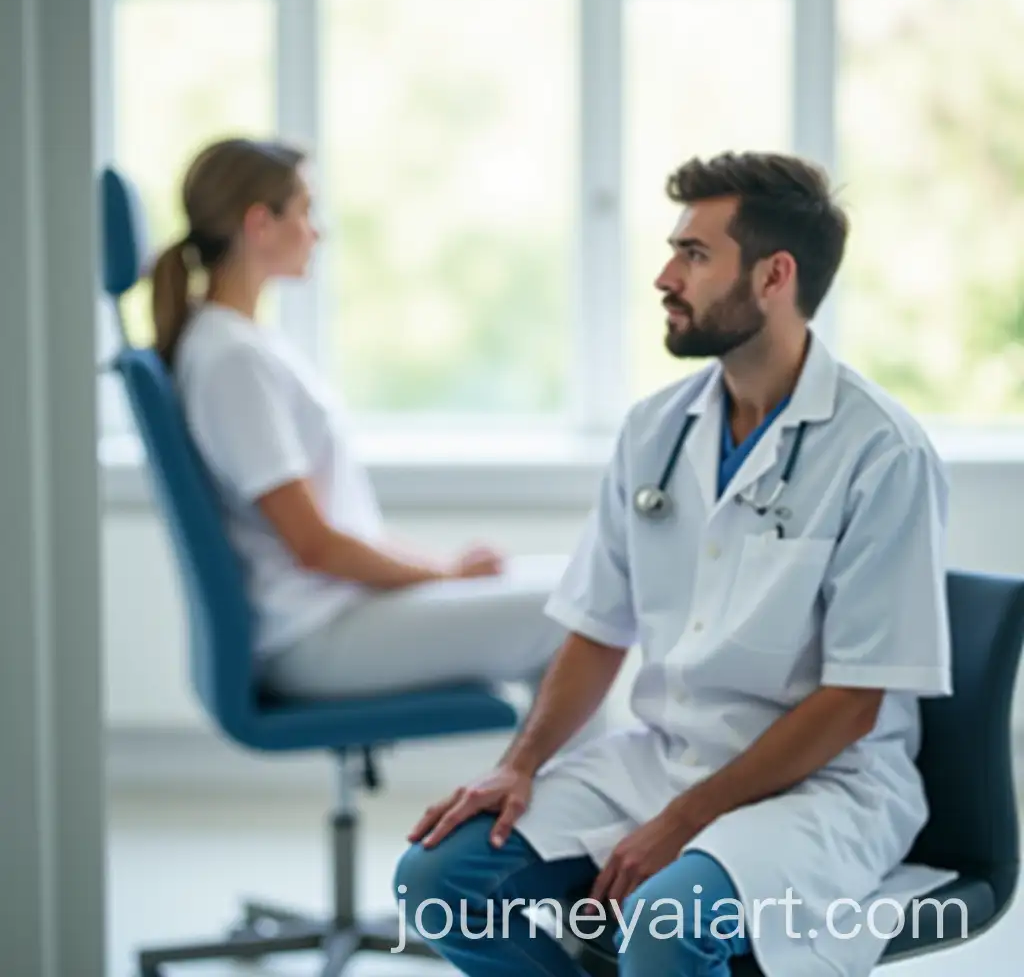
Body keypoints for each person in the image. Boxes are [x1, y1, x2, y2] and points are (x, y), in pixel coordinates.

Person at [394, 150, 956, 977]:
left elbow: (851, 704)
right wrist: (518, 765)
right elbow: (595, 628)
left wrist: (684, 822)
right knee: (438, 880)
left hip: (823, 788)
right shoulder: (655, 431)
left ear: (774, 276)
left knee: (666, 922)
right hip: (663, 757)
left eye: (694, 255)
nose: (664, 276)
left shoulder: (882, 451)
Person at [149, 136, 578, 704]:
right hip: (314, 636)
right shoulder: (232, 360)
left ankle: (554, 790)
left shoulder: (239, 344)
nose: (317, 229)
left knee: (578, 587)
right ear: (261, 223)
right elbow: (315, 545)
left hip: (337, 612)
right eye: (306, 210)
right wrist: (445, 577)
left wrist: (445, 567)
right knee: (578, 617)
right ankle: (571, 795)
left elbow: (335, 529)